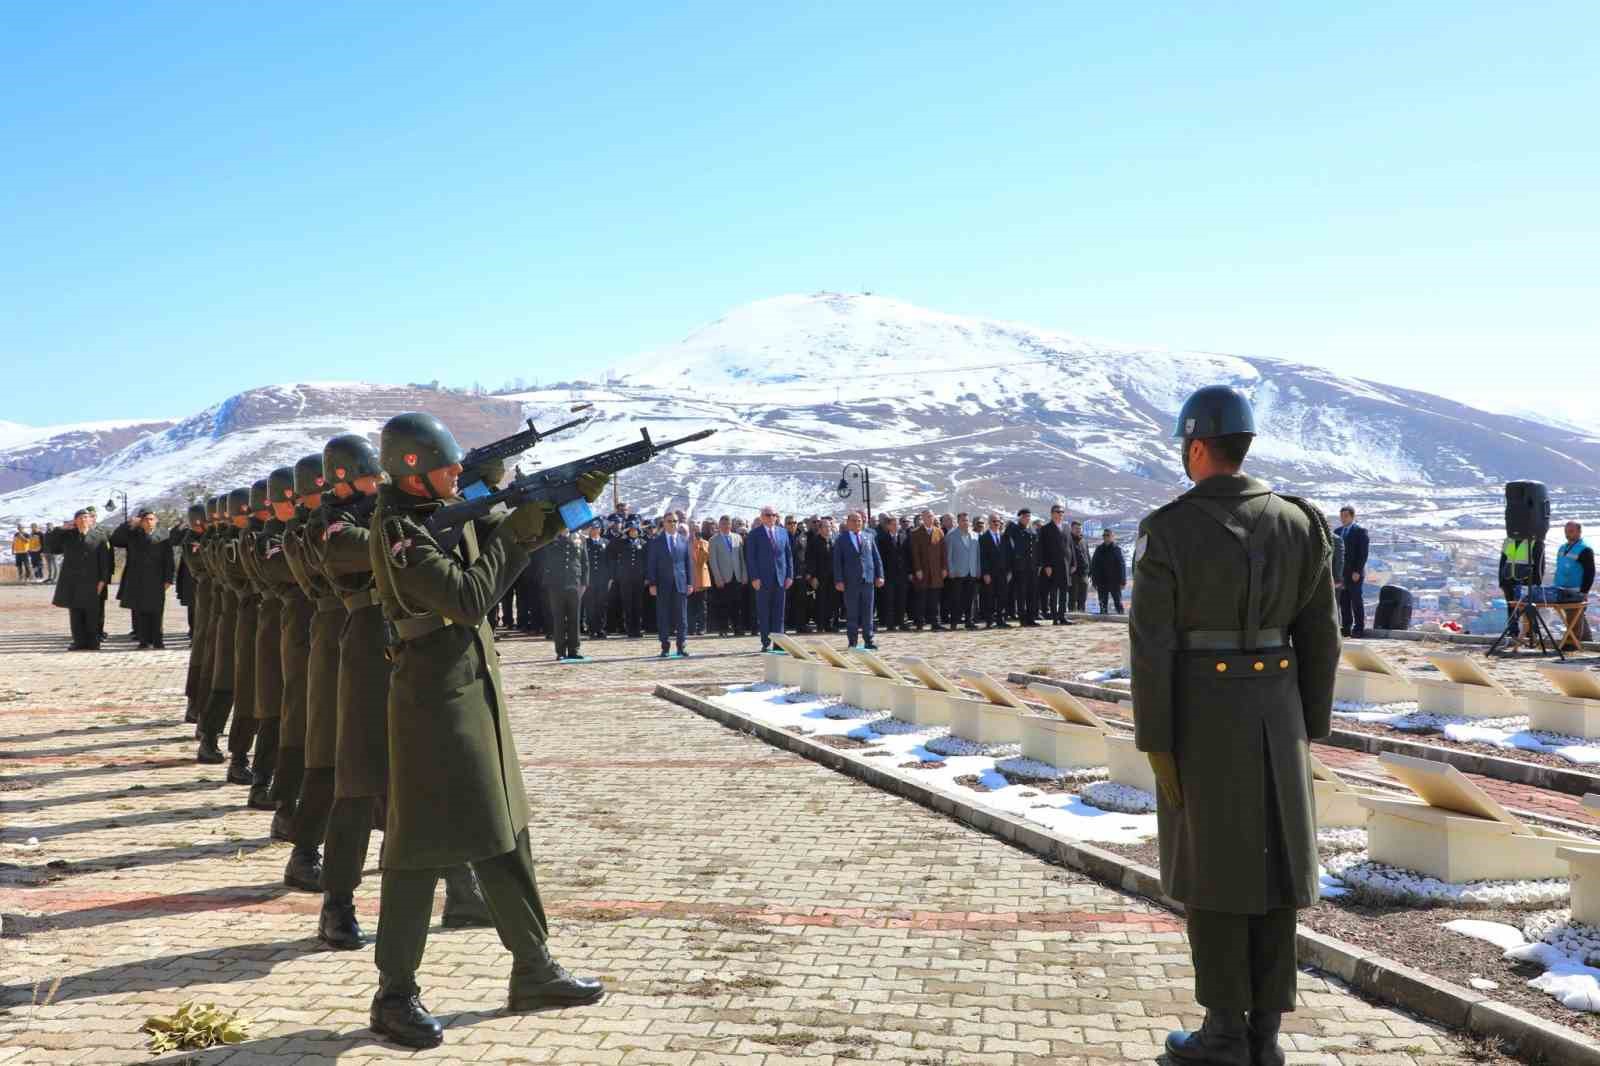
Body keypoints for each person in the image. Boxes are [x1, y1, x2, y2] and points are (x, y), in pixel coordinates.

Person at [367, 413, 607, 1048]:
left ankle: (533, 968)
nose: (459, 474)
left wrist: (571, 500)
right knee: (420, 846)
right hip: (432, 700)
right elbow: (468, 597)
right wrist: (519, 533)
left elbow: (518, 533)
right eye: (447, 466)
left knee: (505, 831)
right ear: (414, 472)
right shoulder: (399, 533)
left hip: (474, 689)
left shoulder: (442, 513)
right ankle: (394, 993)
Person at [1130, 385, 1339, 1066]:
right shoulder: (1301, 522)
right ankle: (1266, 1037)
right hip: (1278, 716)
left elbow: (1151, 646)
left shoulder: (1169, 529)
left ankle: (1224, 1033)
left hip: (1201, 718)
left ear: (1196, 447)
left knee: (1213, 875)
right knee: (1277, 871)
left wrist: (1156, 742)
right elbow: (1322, 637)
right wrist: (1306, 724)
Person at [280, 452, 333, 891]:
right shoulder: (305, 532)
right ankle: (305, 851)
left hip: (374, 644)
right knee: (327, 759)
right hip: (332, 644)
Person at [43, 510, 111, 650]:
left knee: (92, 613)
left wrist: (103, 581)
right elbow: (50, 546)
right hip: (72, 581)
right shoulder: (68, 536)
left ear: (91, 520)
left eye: (86, 517)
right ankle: (78, 641)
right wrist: (60, 529)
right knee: (76, 613)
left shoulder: (99, 537)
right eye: (80, 518)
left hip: (92, 581)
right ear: (75, 521)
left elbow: (105, 562)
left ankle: (93, 642)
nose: (83, 520)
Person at [108, 509, 173, 649]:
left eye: (151, 519)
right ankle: (143, 640)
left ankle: (157, 640)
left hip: (157, 579)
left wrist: (168, 579)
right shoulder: (133, 535)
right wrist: (128, 524)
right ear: (141, 522)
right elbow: (115, 540)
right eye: (146, 519)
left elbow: (169, 559)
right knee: (141, 611)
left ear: (156, 521)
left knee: (157, 611)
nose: (149, 522)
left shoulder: (163, 535)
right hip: (137, 579)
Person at [831, 510, 884, 649]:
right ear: (848, 523)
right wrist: (839, 580)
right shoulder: (841, 539)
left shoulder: (868, 536)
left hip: (867, 580)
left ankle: (869, 640)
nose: (857, 523)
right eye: (854, 520)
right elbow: (837, 562)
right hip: (850, 582)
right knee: (852, 613)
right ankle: (852, 641)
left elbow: (876, 558)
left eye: (859, 520)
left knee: (868, 612)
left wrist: (880, 575)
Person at [743, 505, 793, 651]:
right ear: (762, 517)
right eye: (768, 515)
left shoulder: (783, 532)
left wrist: (789, 575)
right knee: (764, 612)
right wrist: (754, 578)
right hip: (762, 580)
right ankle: (766, 642)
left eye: (773, 515)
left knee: (779, 612)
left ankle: (779, 643)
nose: (771, 517)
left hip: (780, 578)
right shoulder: (754, 534)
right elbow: (751, 558)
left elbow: (788, 555)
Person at [647, 512, 692, 658]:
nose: (673, 523)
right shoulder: (656, 542)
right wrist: (652, 583)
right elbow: (651, 564)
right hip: (662, 584)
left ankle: (681, 645)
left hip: (680, 583)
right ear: (664, 523)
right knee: (663, 615)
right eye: (669, 521)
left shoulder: (683, 540)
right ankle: (665, 646)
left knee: (682, 617)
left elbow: (687, 563)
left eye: (675, 521)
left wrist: (690, 583)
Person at [542, 529, 589, 661]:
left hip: (574, 583)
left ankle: (574, 649)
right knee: (559, 619)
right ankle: (560, 651)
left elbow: (584, 562)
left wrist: (584, 583)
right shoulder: (552, 539)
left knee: (575, 619)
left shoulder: (580, 539)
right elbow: (546, 560)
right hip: (557, 584)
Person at [1547, 521, 1594, 641]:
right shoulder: (1563, 547)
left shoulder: (1584, 549)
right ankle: (1586, 641)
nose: (1568, 534)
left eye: (1571, 531)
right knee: (1577, 616)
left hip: (1576, 590)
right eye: (1566, 532)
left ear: (1579, 532)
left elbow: (1590, 572)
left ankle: (1571, 644)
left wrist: (1584, 592)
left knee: (1574, 617)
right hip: (1561, 589)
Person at [708, 515, 746, 638]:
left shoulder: (737, 537)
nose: (726, 526)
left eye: (728, 523)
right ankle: (723, 628)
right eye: (723, 523)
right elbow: (713, 561)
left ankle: (737, 628)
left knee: (737, 603)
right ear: (719, 525)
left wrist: (744, 574)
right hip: (723, 577)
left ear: (731, 525)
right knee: (723, 604)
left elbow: (741, 558)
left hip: (736, 576)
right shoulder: (714, 540)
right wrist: (717, 577)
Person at [1334, 506, 1369, 637]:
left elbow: (1363, 554)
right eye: (1341, 516)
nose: (1343, 519)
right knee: (1344, 602)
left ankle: (1359, 628)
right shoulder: (1337, 531)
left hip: (1354, 573)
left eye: (1346, 516)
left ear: (1352, 517)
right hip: (1341, 574)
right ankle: (1346, 627)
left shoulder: (1360, 531)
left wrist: (1357, 571)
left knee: (1356, 601)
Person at [609, 520, 648, 638]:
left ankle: (637, 628)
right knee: (627, 604)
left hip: (639, 578)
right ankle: (630, 629)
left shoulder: (643, 543)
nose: (633, 532)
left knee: (638, 604)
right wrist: (622, 533)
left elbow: (646, 561)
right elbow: (612, 546)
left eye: (635, 530)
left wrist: (646, 577)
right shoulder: (622, 542)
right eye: (631, 530)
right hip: (625, 578)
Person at [909, 510, 945, 631]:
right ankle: (919, 622)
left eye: (931, 516)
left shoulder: (939, 531)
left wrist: (944, 568)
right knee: (921, 598)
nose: (929, 518)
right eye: (927, 516)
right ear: (922, 519)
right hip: (922, 570)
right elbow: (914, 554)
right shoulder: (915, 533)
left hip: (935, 571)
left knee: (934, 598)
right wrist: (917, 569)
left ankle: (935, 622)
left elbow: (943, 552)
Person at [1004, 508, 1040, 625]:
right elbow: (1007, 544)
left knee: (1031, 593)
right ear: (1019, 517)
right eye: (1024, 517)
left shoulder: (1031, 531)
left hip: (1031, 567)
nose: (1027, 519)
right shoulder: (1014, 529)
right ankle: (1023, 619)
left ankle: (1031, 618)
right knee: (1021, 594)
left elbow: (1035, 549)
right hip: (1019, 568)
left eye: (1028, 517)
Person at [944, 512, 979, 630]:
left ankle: (969, 621)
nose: (965, 522)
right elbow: (948, 556)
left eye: (967, 520)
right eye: (963, 520)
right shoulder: (951, 535)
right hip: (958, 573)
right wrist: (951, 571)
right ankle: (954, 622)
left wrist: (978, 570)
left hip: (971, 572)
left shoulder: (975, 535)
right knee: (956, 599)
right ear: (958, 522)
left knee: (970, 598)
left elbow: (977, 555)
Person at [875, 515, 910, 632]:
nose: (896, 527)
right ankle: (890, 623)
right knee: (889, 600)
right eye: (893, 525)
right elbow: (880, 558)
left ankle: (901, 622)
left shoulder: (904, 537)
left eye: (897, 525)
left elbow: (908, 555)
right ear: (888, 526)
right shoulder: (882, 539)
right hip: (889, 575)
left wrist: (909, 572)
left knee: (901, 599)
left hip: (902, 574)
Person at [978, 512, 1011, 628]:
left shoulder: (1004, 537)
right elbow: (982, 557)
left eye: (998, 522)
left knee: (1002, 597)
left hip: (1003, 573)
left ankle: (1001, 620)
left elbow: (1008, 555)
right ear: (989, 522)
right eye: (994, 521)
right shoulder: (983, 538)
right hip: (990, 573)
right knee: (990, 597)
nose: (997, 524)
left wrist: (1009, 572)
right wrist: (985, 573)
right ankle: (989, 620)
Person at [1039, 504, 1070, 622]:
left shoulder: (1066, 528)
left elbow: (1069, 547)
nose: (1060, 514)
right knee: (1053, 593)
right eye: (1057, 512)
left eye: (1062, 512)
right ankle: (1055, 617)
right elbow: (1042, 549)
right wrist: (1046, 565)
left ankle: (1062, 616)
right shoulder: (1046, 529)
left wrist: (1073, 564)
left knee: (1063, 592)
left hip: (1065, 565)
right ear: (1052, 514)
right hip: (1052, 566)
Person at [807, 516, 838, 633]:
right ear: (820, 529)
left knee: (832, 601)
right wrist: (812, 577)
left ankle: (829, 624)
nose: (828, 529)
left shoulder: (833, 541)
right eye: (825, 527)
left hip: (832, 577)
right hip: (820, 577)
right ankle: (820, 624)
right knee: (821, 601)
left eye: (830, 526)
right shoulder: (814, 542)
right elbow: (810, 560)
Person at [582, 523, 611, 640]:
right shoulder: (585, 542)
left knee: (602, 605)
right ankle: (592, 629)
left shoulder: (606, 542)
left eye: (597, 528)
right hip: (590, 579)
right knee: (590, 605)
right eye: (592, 528)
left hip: (603, 579)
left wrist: (610, 578)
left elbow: (610, 561)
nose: (594, 530)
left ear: (600, 529)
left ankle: (601, 629)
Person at [1090, 528, 1127, 614]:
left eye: (1108, 535)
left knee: (1118, 603)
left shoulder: (1117, 549)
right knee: (1102, 604)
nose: (1106, 537)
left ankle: (1122, 621)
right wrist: (1094, 581)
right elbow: (1094, 566)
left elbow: (1122, 566)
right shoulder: (1098, 549)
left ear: (1112, 537)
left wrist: (1123, 581)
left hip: (1115, 582)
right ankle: (1103, 621)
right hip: (1102, 582)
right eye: (1104, 535)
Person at [1068, 520, 1092, 613]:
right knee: (1073, 596)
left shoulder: (1084, 541)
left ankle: (1082, 615)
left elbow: (1088, 556)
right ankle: (1072, 615)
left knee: (1083, 597)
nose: (1078, 530)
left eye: (1080, 529)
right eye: (1076, 528)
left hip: (1084, 573)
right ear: (1072, 529)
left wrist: (1090, 571)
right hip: (1073, 573)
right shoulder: (1068, 540)